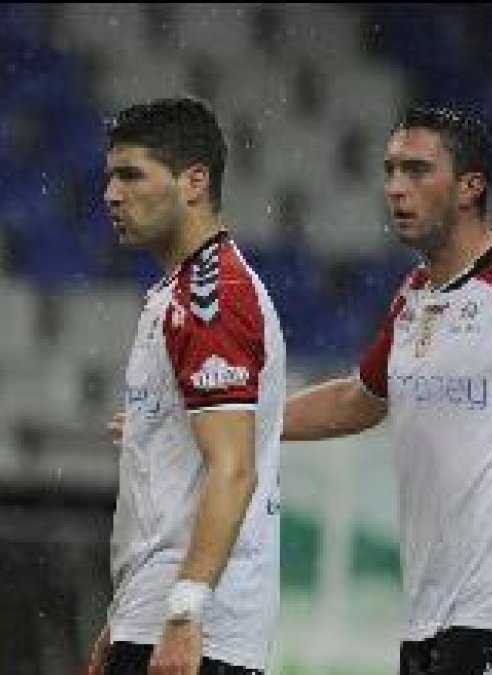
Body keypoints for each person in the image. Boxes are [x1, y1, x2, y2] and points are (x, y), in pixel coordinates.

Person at [282, 105, 492, 675]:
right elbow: (357, 400)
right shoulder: (414, 294)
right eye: (390, 170)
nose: (394, 188)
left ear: (470, 187)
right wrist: (234, 415)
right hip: (426, 617)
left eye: (416, 171)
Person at [85, 96, 286, 675]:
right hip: (157, 617)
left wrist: (182, 613)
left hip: (200, 633)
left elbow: (234, 469)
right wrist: (127, 616)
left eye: (130, 175)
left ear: (194, 182)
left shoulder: (212, 298)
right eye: (109, 177)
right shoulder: (177, 295)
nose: (111, 195)